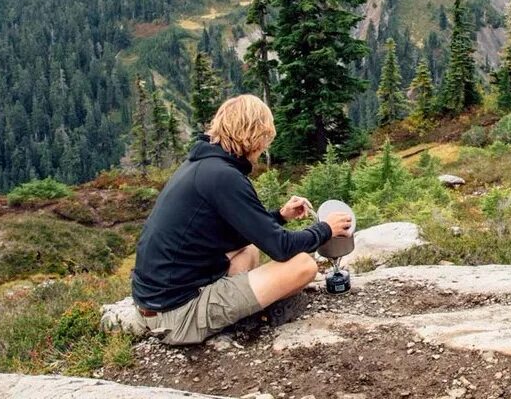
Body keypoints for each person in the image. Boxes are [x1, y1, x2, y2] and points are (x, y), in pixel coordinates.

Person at [131, 94, 353, 345]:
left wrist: (279, 216)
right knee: (304, 266)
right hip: (179, 315)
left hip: (156, 304)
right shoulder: (224, 176)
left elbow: (239, 232)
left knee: (248, 251)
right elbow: (280, 248)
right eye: (265, 139)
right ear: (255, 137)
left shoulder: (202, 165)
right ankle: (252, 317)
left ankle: (238, 306)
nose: (264, 147)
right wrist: (325, 229)